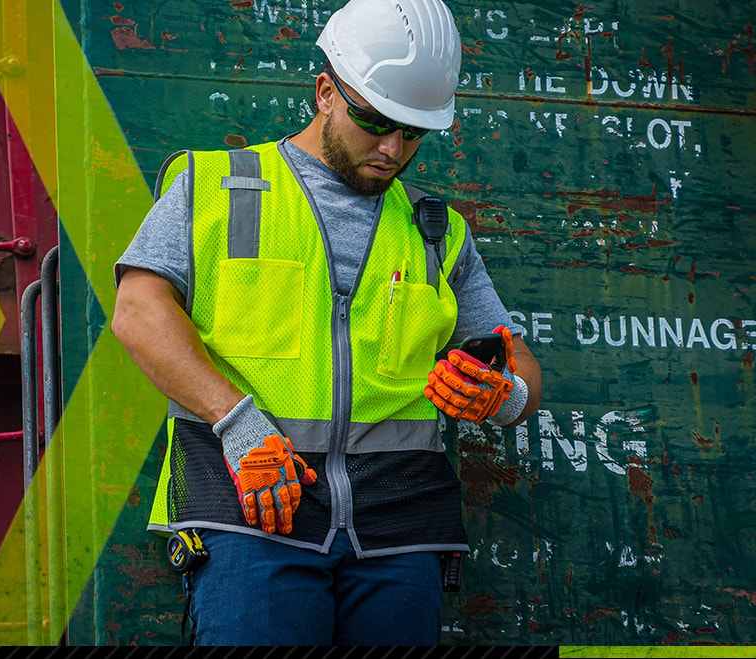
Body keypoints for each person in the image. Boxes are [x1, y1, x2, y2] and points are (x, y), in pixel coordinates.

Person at [111, 0, 542, 646]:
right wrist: (238, 424)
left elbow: (520, 364)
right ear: (325, 93)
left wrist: (506, 394)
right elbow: (138, 313)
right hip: (254, 519)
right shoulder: (215, 188)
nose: (393, 148)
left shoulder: (437, 233)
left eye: (412, 132)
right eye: (374, 121)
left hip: (400, 536)